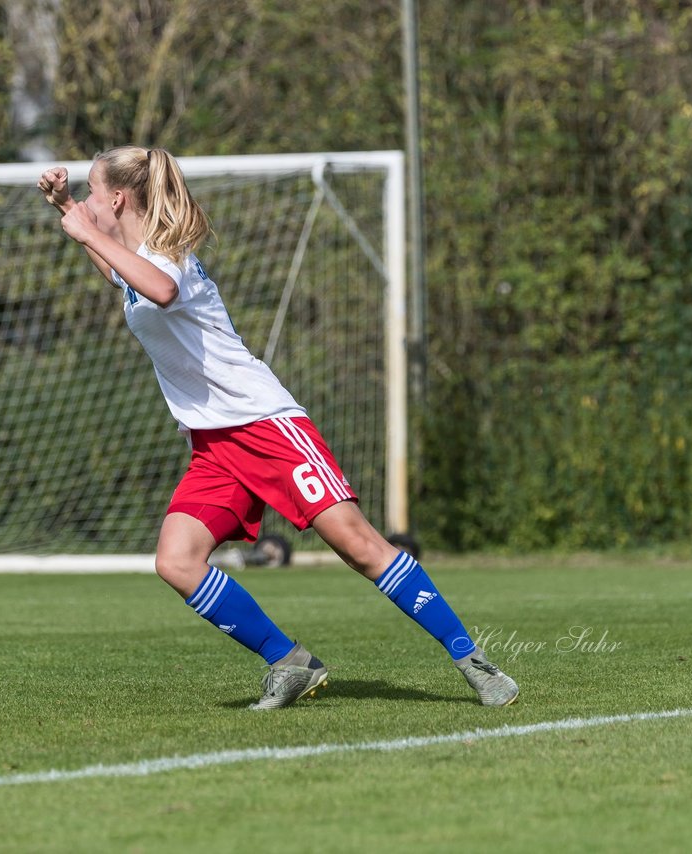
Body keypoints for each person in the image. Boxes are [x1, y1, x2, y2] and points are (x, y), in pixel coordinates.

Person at [38, 146, 519, 710]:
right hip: (214, 445)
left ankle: (473, 659)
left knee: (362, 548)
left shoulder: (168, 255)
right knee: (176, 560)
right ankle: (290, 664)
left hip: (264, 427)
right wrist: (66, 205)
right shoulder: (136, 258)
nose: (91, 204)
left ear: (118, 198)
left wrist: (85, 230)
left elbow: (159, 289)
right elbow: (128, 279)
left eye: (94, 193)